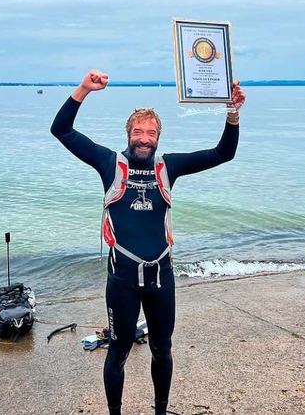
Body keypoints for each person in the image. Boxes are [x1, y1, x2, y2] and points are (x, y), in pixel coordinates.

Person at [50, 70, 246, 415]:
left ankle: (159, 411)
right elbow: (61, 130)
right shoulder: (110, 163)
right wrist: (83, 89)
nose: (144, 138)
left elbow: (223, 154)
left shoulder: (168, 167)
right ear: (128, 134)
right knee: (119, 350)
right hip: (123, 281)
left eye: (151, 132)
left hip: (161, 279)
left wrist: (233, 114)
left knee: (163, 349)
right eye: (138, 131)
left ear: (158, 137)